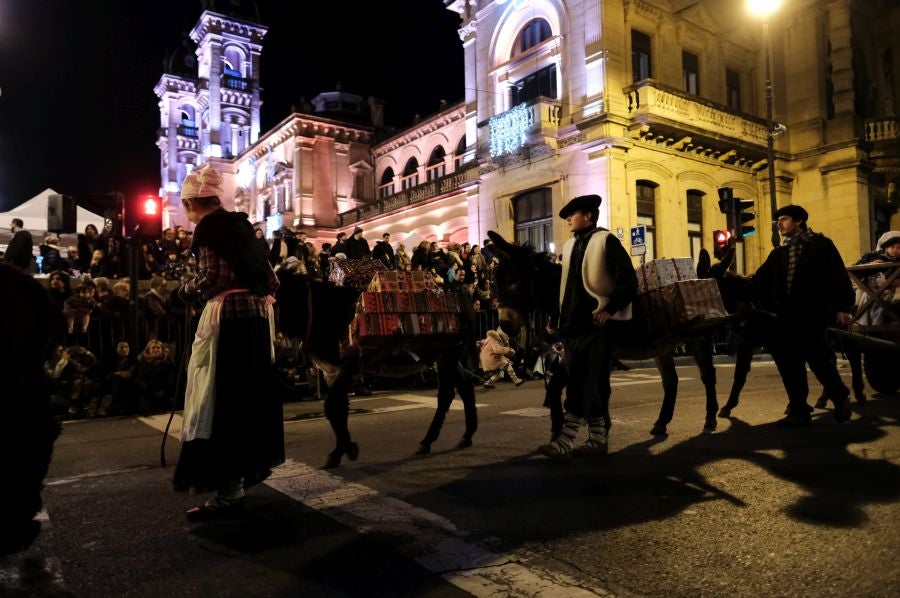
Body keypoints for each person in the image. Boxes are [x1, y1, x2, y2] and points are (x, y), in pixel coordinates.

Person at [171, 165, 284, 521]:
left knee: (219, 398)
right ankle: (241, 477)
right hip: (255, 318)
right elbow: (270, 278)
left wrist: (185, 291)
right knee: (249, 398)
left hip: (229, 323)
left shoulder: (209, 228)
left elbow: (214, 276)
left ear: (191, 203)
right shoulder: (242, 226)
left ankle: (228, 488)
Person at [539, 194, 638, 461]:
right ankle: (598, 439)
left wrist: (609, 309)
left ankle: (565, 441)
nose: (568, 219)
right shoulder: (570, 246)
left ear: (589, 216)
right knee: (586, 383)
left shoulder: (607, 241)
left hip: (597, 328)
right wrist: (555, 319)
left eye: (573, 214)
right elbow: (566, 289)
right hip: (573, 329)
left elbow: (629, 281)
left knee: (585, 383)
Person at [751, 204, 854, 426]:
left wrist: (843, 307)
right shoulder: (780, 252)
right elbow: (759, 280)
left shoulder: (820, 245)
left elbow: (838, 275)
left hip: (813, 314)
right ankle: (799, 409)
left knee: (819, 361)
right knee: (789, 364)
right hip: (785, 317)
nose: (779, 224)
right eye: (778, 220)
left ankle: (839, 395)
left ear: (798, 221)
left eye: (784, 219)